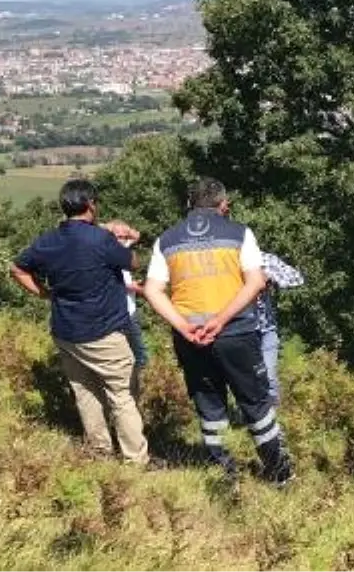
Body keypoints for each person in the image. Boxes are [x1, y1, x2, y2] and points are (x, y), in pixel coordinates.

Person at [141, 177, 294, 487]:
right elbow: (256, 283)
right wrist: (221, 320)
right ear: (223, 205)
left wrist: (183, 326)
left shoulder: (166, 240)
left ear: (189, 204)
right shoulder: (240, 233)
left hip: (190, 338)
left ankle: (225, 476)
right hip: (236, 333)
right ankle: (279, 473)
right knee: (256, 405)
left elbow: (152, 290)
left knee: (210, 409)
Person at [9, 179, 150, 466]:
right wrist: (117, 238)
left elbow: (17, 268)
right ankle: (135, 461)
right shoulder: (100, 240)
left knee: (85, 392)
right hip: (104, 332)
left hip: (66, 331)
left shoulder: (47, 241)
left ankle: (100, 453)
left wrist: (46, 294)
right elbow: (133, 263)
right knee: (122, 394)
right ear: (90, 205)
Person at [257, 251, 305, 405]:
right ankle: (251, 416)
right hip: (241, 330)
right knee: (249, 377)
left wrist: (271, 276)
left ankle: (274, 412)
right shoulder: (230, 261)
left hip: (266, 329)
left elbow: (296, 278)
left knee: (269, 375)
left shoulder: (264, 259)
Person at [117, 239, 150, 401]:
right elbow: (123, 284)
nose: (125, 241)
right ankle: (138, 393)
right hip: (124, 314)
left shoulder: (119, 255)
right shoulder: (112, 255)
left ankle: (136, 392)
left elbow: (128, 279)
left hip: (129, 311)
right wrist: (146, 289)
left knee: (136, 355)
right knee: (139, 356)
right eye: (121, 237)